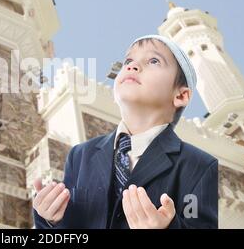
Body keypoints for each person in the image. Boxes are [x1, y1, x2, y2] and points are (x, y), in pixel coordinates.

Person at [32, 34, 218, 229]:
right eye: (128, 61)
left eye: (154, 61)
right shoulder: (80, 156)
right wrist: (50, 219)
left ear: (180, 95)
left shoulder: (198, 166)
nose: (132, 66)